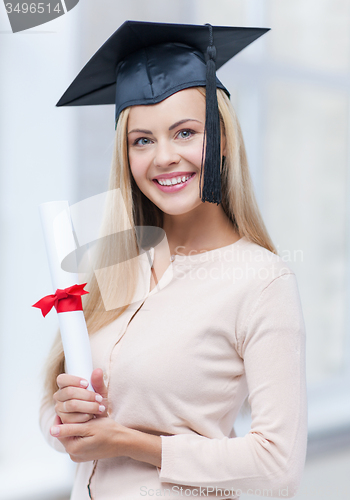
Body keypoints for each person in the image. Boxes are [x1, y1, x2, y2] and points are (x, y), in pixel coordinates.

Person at [39, 21, 307, 500]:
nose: (163, 157)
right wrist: (66, 417)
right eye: (142, 140)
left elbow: (278, 466)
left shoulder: (262, 282)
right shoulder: (115, 265)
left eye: (185, 132)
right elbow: (59, 429)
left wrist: (130, 443)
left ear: (222, 139)